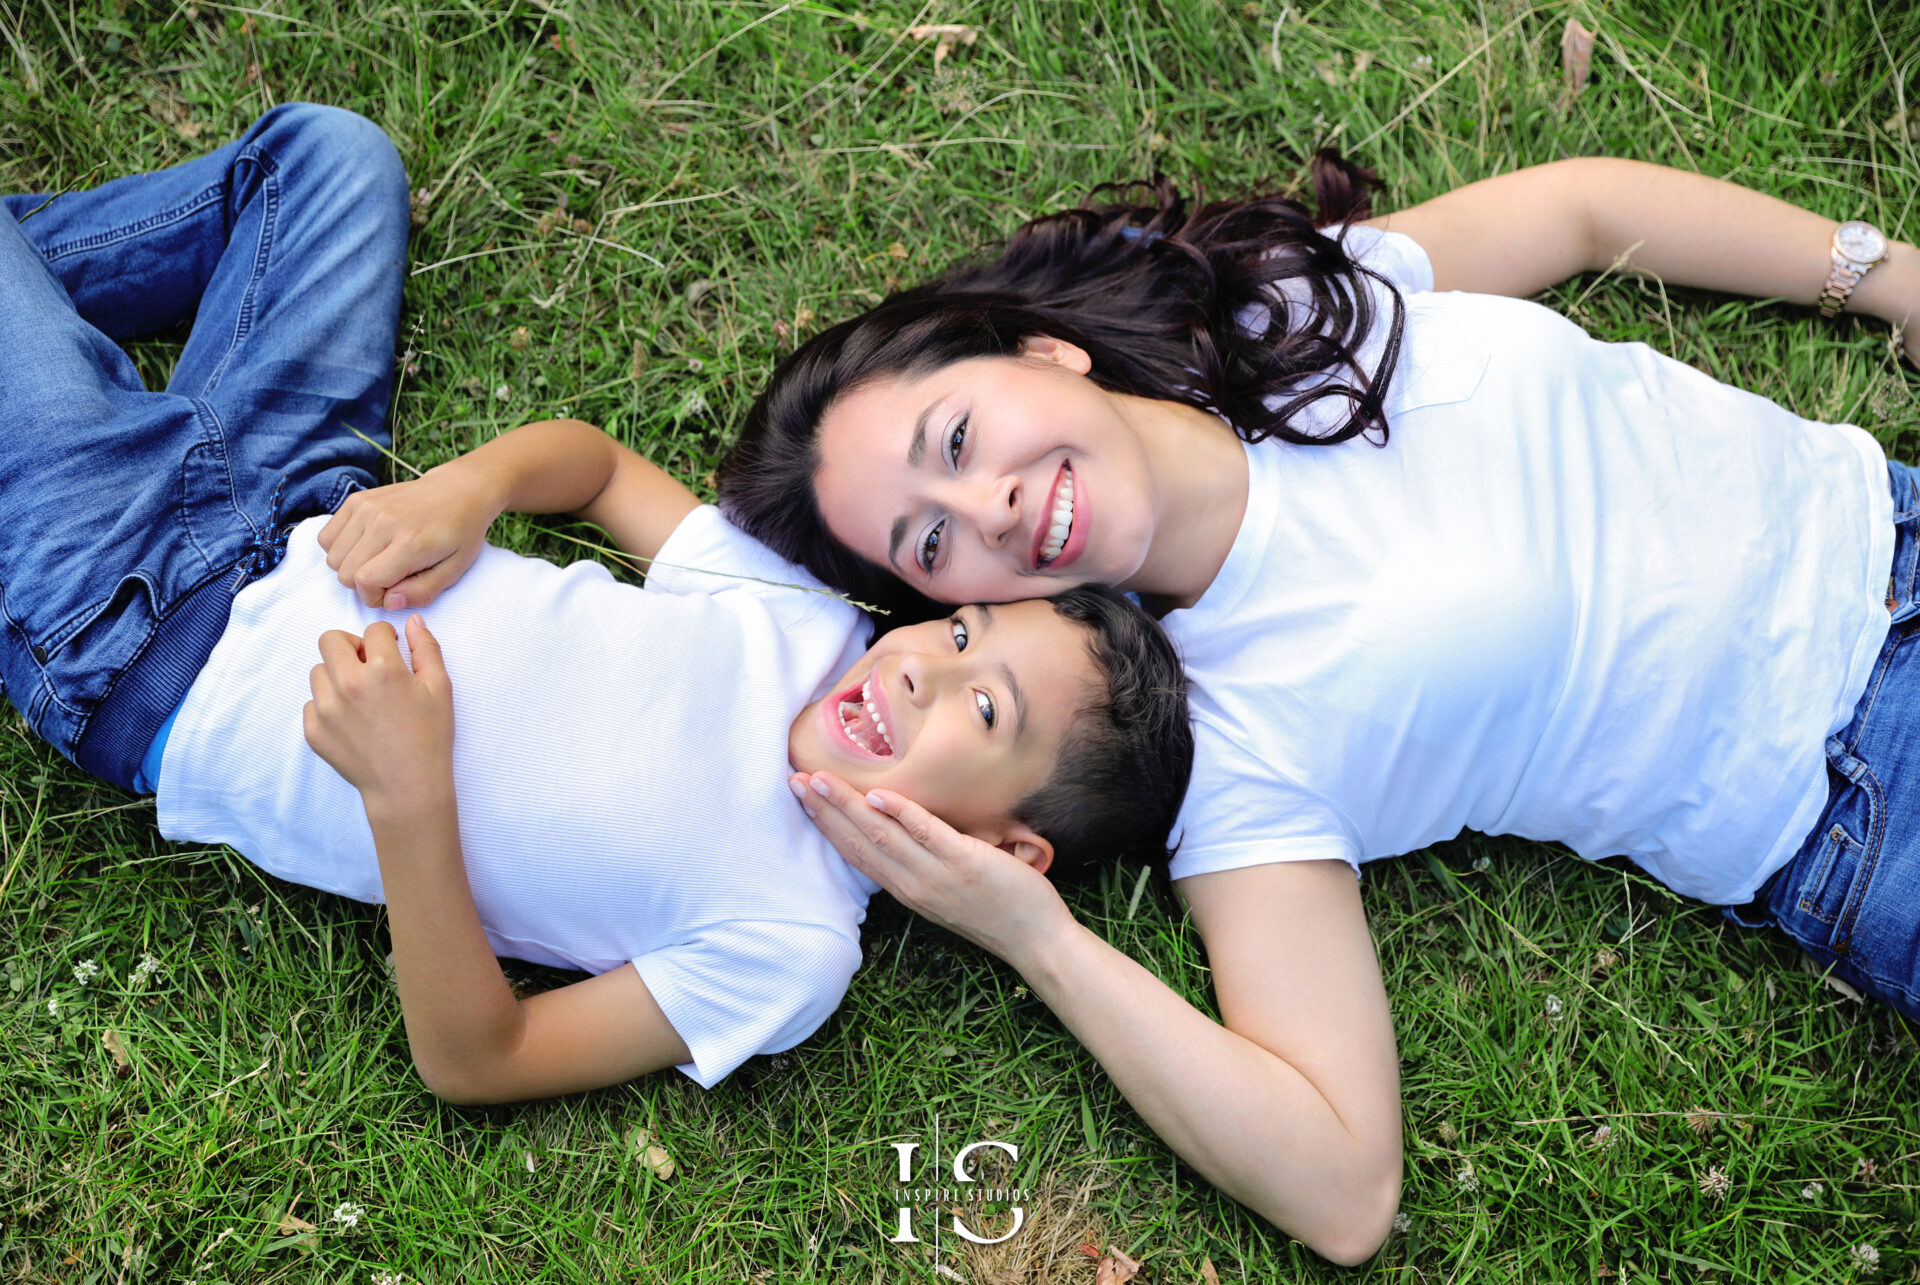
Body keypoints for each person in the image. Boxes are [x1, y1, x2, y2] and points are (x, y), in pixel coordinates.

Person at [714, 153, 1919, 1262]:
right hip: (1863, 784)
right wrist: (1036, 936)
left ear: (1041, 352)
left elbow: (1579, 213)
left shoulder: (1284, 312)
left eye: (961, 437)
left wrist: (1883, 277)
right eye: (930, 540)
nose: (993, 506)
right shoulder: (1232, 744)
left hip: (1889, 507)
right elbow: (1344, 1189)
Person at [1, 104, 1195, 1106]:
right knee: (329, 159)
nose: (919, 668)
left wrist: (408, 795)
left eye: (981, 709)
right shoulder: (805, 624)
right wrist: (471, 492)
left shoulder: (790, 944)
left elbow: (481, 1059)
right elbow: (600, 471)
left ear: (1005, 848)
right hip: (305, 484)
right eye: (958, 628)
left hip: (141, 622)